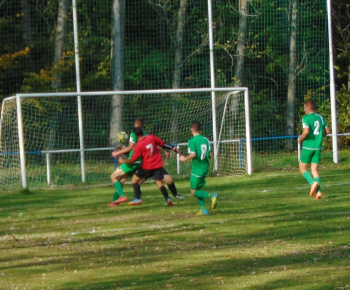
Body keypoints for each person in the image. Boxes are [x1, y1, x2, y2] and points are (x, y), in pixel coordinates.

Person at [109, 118, 182, 207]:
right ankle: (114, 201)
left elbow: (131, 151)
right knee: (123, 180)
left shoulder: (134, 136)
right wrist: (168, 149)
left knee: (116, 177)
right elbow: (158, 143)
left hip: (140, 164)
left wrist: (119, 154)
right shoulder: (149, 136)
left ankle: (127, 196)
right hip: (150, 163)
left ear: (135, 126)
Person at [179, 121, 218, 215]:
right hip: (205, 167)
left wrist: (184, 158)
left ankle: (211, 196)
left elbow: (193, 154)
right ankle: (203, 209)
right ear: (200, 129)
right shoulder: (205, 140)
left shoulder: (192, 141)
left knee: (193, 191)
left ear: (191, 129)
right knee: (198, 189)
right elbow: (211, 154)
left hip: (197, 169)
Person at [298, 100, 331, 200]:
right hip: (318, 147)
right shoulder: (321, 117)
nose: (304, 110)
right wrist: (320, 135)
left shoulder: (306, 118)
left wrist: (301, 139)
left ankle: (313, 183)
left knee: (302, 168)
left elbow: (306, 131)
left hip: (308, 147)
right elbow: (328, 131)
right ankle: (319, 192)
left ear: (308, 108)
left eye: (304, 108)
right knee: (314, 170)